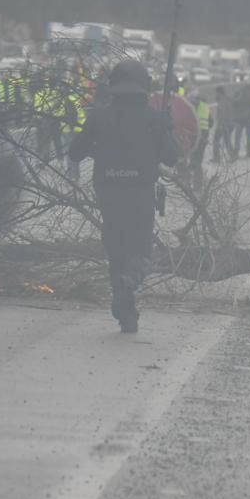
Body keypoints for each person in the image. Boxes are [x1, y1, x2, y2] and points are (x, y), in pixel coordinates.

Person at [68, 60, 181, 333]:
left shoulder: (98, 116)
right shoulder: (154, 118)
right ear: (143, 88)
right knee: (140, 254)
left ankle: (125, 310)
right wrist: (166, 127)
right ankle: (126, 296)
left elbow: (74, 152)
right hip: (140, 194)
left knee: (117, 253)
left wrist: (95, 140)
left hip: (108, 194)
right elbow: (172, 156)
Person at [234, 84, 250, 158]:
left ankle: (236, 152)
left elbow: (233, 103)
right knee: (249, 136)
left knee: (238, 136)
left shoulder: (238, 93)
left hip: (239, 118)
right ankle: (248, 152)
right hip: (248, 118)